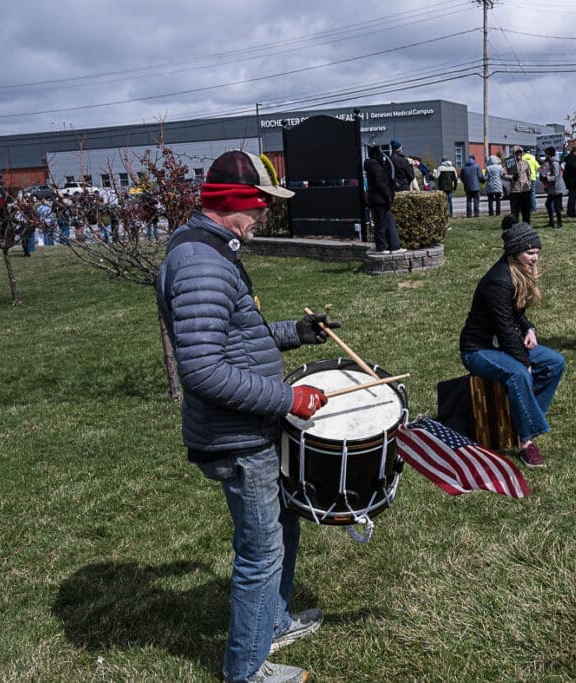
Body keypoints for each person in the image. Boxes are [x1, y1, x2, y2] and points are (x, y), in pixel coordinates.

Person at [155, 150, 340, 683]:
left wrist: (294, 333)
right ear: (234, 203)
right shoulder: (200, 264)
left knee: (283, 529)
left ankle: (273, 622)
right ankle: (246, 671)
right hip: (237, 439)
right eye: (260, 207)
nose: (264, 217)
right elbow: (204, 370)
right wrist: (289, 400)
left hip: (252, 430)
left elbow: (239, 336)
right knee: (259, 556)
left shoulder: (213, 251)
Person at [459, 222, 565, 468]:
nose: (535, 258)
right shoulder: (498, 281)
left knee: (555, 362)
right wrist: (524, 361)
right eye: (530, 253)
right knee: (519, 374)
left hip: (503, 344)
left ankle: (526, 415)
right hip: (478, 350)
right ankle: (526, 441)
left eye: (537, 252)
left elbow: (515, 313)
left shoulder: (516, 273)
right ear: (515, 252)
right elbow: (505, 327)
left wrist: (530, 328)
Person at [365, 145, 402, 253]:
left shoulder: (373, 166)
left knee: (387, 222)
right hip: (380, 200)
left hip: (379, 200)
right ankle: (382, 247)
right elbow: (381, 184)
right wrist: (388, 196)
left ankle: (394, 246)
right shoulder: (376, 167)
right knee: (381, 224)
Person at [540, 146, 566, 228]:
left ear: (549, 154)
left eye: (546, 154)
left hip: (557, 188)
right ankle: (551, 222)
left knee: (556, 206)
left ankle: (559, 222)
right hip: (553, 188)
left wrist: (546, 178)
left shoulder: (554, 163)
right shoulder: (551, 162)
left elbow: (556, 176)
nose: (545, 156)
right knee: (548, 204)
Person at [505, 146, 532, 223]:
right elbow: (503, 175)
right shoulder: (510, 164)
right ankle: (515, 226)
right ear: (514, 154)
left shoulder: (525, 163)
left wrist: (529, 185)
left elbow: (529, 175)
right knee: (515, 211)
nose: (519, 154)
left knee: (526, 210)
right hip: (514, 190)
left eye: (520, 152)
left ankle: (526, 225)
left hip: (525, 190)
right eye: (517, 152)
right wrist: (512, 177)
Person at [460, 154, 485, 218]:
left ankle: (469, 214)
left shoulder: (463, 167)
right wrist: (483, 181)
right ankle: (476, 214)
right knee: (476, 201)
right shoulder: (476, 166)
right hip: (476, 187)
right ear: (474, 159)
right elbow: (480, 176)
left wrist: (465, 183)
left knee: (468, 201)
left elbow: (461, 177)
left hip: (467, 187)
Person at [562, 146, 576, 217]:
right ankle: (571, 213)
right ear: (574, 152)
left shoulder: (571, 158)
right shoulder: (573, 159)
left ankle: (570, 212)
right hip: (573, 181)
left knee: (572, 198)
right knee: (572, 198)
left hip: (571, 180)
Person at [522, 148, 540, 213]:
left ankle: (526, 209)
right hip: (533, 178)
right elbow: (537, 167)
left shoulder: (522, 158)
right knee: (532, 194)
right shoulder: (533, 157)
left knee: (525, 194)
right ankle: (533, 209)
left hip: (525, 179)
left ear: (524, 152)